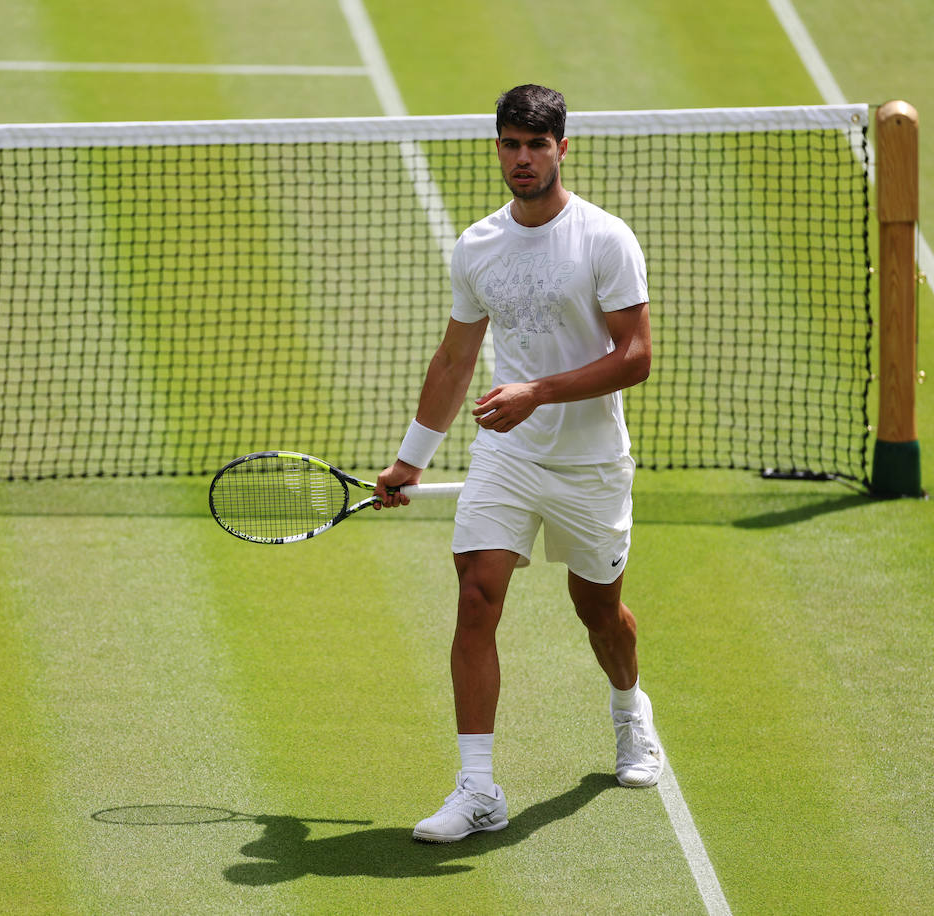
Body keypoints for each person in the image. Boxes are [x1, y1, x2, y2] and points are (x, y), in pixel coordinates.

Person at [375, 84, 663, 844]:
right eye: (512, 145)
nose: (524, 159)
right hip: (507, 455)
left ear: (563, 149)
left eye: (538, 146)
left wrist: (540, 390)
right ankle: (477, 790)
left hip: (590, 464)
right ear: (497, 148)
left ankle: (630, 712)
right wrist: (410, 461)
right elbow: (455, 358)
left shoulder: (605, 239)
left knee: (599, 611)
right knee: (476, 596)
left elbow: (635, 358)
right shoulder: (477, 246)